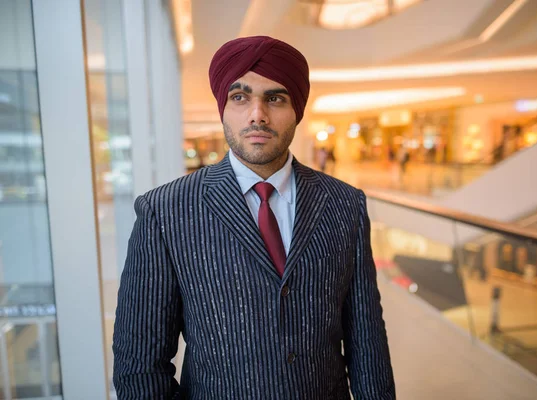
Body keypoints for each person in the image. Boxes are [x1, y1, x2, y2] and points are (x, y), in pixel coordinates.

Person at [112, 35, 395, 399]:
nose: (257, 114)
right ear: (223, 108)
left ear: (297, 110)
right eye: (240, 97)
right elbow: (140, 365)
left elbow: (366, 340)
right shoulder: (165, 210)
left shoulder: (344, 204)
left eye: (275, 98)